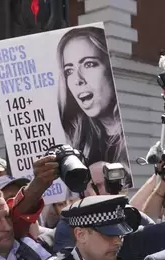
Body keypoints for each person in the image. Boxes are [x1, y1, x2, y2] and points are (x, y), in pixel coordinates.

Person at [56, 26, 131, 175]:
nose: (78, 80)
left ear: (110, 69)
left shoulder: (134, 134)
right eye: (69, 71)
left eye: (89, 64)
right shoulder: (78, 146)